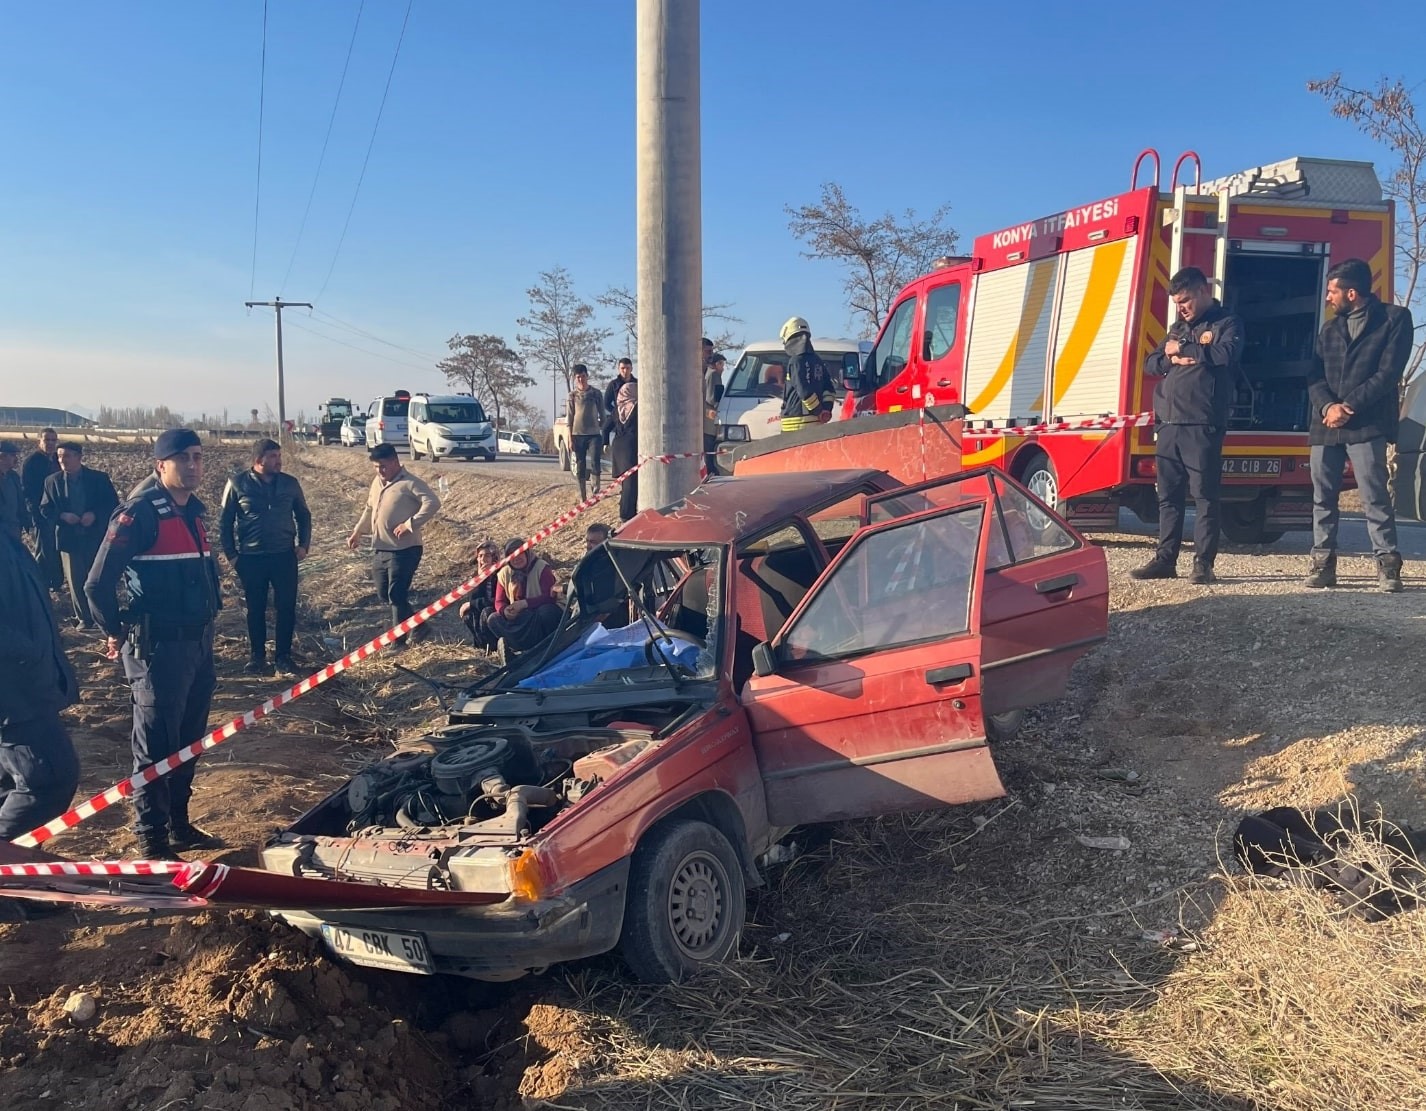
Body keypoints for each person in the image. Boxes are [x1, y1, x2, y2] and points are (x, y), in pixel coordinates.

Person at [85, 428, 224, 858]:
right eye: (183, 458)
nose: (193, 465)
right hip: (159, 650)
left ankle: (179, 824)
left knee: (187, 743)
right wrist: (115, 630)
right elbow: (97, 584)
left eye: (198, 457)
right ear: (160, 465)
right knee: (156, 747)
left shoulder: (194, 513)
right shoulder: (139, 514)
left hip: (197, 646)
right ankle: (152, 839)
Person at [1304, 257, 1414, 592]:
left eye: (1332, 292)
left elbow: (1388, 373)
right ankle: (1323, 565)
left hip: (1367, 424)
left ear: (1352, 293)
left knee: (1373, 494)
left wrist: (1347, 406)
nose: (1327, 298)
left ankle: (1387, 566)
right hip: (1326, 424)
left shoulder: (1394, 319)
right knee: (1323, 496)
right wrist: (1328, 405)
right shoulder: (1329, 328)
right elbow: (1314, 374)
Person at [1130, 267, 1243, 585]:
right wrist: (1171, 359)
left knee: (1205, 496)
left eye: (1186, 300)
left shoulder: (1226, 323)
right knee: (1168, 496)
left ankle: (1203, 564)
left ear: (1203, 291)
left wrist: (1188, 349)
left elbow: (1226, 354)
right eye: (1177, 302)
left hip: (1202, 423)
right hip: (1169, 423)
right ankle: (1165, 560)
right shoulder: (1177, 327)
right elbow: (1151, 362)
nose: (1182, 307)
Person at [0, 526, 80, 847]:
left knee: (10, 784)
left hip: (26, 685)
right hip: (14, 693)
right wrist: (26, 650)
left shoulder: (6, 522)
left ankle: (14, 890)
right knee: (47, 780)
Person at [219, 438, 313, 675]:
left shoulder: (290, 484)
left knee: (286, 607)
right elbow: (225, 522)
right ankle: (257, 657)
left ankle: (283, 657)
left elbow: (303, 515)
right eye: (273, 457)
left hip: (284, 556)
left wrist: (303, 545)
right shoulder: (237, 484)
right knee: (255, 608)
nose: (279, 461)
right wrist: (232, 556)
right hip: (251, 558)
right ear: (258, 460)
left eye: (279, 456)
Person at [347, 443, 441, 649]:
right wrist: (358, 531)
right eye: (375, 467)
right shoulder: (376, 483)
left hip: (405, 550)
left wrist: (410, 524)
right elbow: (370, 508)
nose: (379, 471)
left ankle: (398, 642)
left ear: (395, 462)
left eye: (382, 466)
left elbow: (433, 502)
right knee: (384, 594)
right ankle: (419, 625)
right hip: (381, 548)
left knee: (396, 594)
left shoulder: (410, 483)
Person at [40, 442, 119, 630]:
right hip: (69, 540)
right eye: (59, 456)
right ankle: (85, 618)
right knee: (76, 582)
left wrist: (94, 515)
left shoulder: (98, 479)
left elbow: (112, 504)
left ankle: (104, 618)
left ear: (79, 457)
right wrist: (62, 515)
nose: (62, 460)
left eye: (67, 456)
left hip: (95, 537)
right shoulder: (52, 481)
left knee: (98, 579)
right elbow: (45, 508)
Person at [484, 538, 562, 663]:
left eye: (520, 553)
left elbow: (549, 596)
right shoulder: (504, 573)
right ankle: (516, 652)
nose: (517, 558)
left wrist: (525, 604)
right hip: (520, 617)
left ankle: (546, 648)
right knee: (493, 619)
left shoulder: (541, 568)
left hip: (537, 615)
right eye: (512, 555)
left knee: (547, 612)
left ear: (527, 553)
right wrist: (505, 611)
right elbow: (499, 601)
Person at [779, 316, 835, 433]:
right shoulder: (817, 360)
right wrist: (826, 409)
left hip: (794, 426)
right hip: (816, 423)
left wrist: (818, 411)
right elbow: (829, 389)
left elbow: (803, 390)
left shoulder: (795, 361)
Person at [21, 428, 61, 591]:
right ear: (39, 441)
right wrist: (35, 515)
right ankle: (42, 584)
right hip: (40, 514)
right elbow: (28, 491)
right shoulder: (32, 462)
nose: (50, 443)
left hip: (58, 514)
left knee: (57, 550)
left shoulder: (58, 460)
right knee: (44, 552)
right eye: (47, 440)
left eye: (53, 440)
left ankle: (57, 583)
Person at [566, 364, 607, 503]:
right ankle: (582, 495)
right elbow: (569, 418)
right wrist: (570, 438)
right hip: (577, 434)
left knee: (595, 461)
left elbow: (603, 413)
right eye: (578, 377)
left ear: (587, 376)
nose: (581, 379)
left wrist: (599, 426)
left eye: (583, 376)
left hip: (594, 434)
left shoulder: (595, 394)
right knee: (580, 464)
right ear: (574, 378)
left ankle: (595, 492)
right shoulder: (572, 396)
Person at [459, 540, 502, 651]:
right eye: (480, 556)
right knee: (469, 614)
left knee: (486, 612)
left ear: (494, 557)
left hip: (498, 609)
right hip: (484, 605)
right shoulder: (477, 575)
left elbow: (496, 600)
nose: (483, 559)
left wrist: (472, 604)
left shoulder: (501, 573)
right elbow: (473, 597)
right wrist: (480, 579)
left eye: (487, 555)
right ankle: (481, 646)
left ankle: (493, 647)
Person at [608, 379, 640, 522]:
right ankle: (627, 516)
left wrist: (604, 442)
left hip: (618, 447)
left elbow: (605, 427)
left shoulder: (618, 408)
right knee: (631, 485)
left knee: (626, 484)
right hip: (630, 447)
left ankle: (625, 513)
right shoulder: (637, 407)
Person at [0, 440, 30, 543]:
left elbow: (20, 503)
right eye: (12, 455)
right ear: (2, 457)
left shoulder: (13, 477)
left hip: (14, 529)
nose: (16, 459)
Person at [704, 352, 727, 473]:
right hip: (710, 420)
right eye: (722, 365)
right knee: (710, 449)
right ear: (717, 364)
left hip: (706, 417)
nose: (723, 368)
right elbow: (713, 398)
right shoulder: (714, 375)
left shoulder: (708, 373)